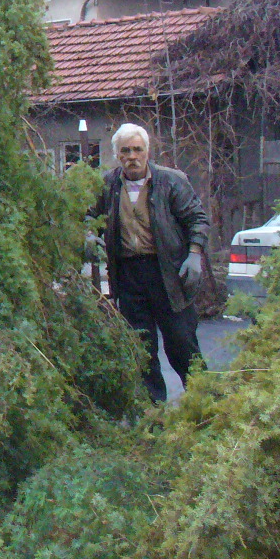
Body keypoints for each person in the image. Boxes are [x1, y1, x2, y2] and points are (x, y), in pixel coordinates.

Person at [90, 123, 210, 402]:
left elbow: (197, 219)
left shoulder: (171, 181)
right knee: (141, 348)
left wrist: (194, 254)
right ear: (117, 155)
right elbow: (89, 215)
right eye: (125, 151)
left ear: (147, 151)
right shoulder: (107, 185)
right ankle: (152, 412)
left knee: (182, 343)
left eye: (137, 149)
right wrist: (88, 234)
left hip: (169, 274)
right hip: (128, 276)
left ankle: (205, 404)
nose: (132, 156)